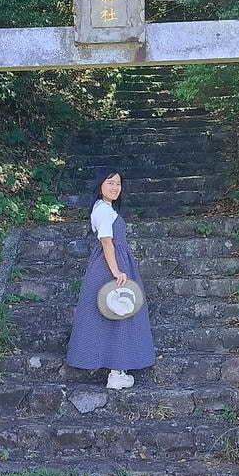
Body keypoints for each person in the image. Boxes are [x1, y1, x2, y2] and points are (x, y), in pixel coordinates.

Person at [66, 167, 155, 389]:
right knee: (118, 311)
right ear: (100, 186)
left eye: (118, 183)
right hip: (111, 264)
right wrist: (116, 271)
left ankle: (117, 368)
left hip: (112, 262)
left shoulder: (104, 208)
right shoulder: (103, 210)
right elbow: (107, 242)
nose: (115, 187)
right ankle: (116, 371)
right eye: (110, 183)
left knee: (114, 312)